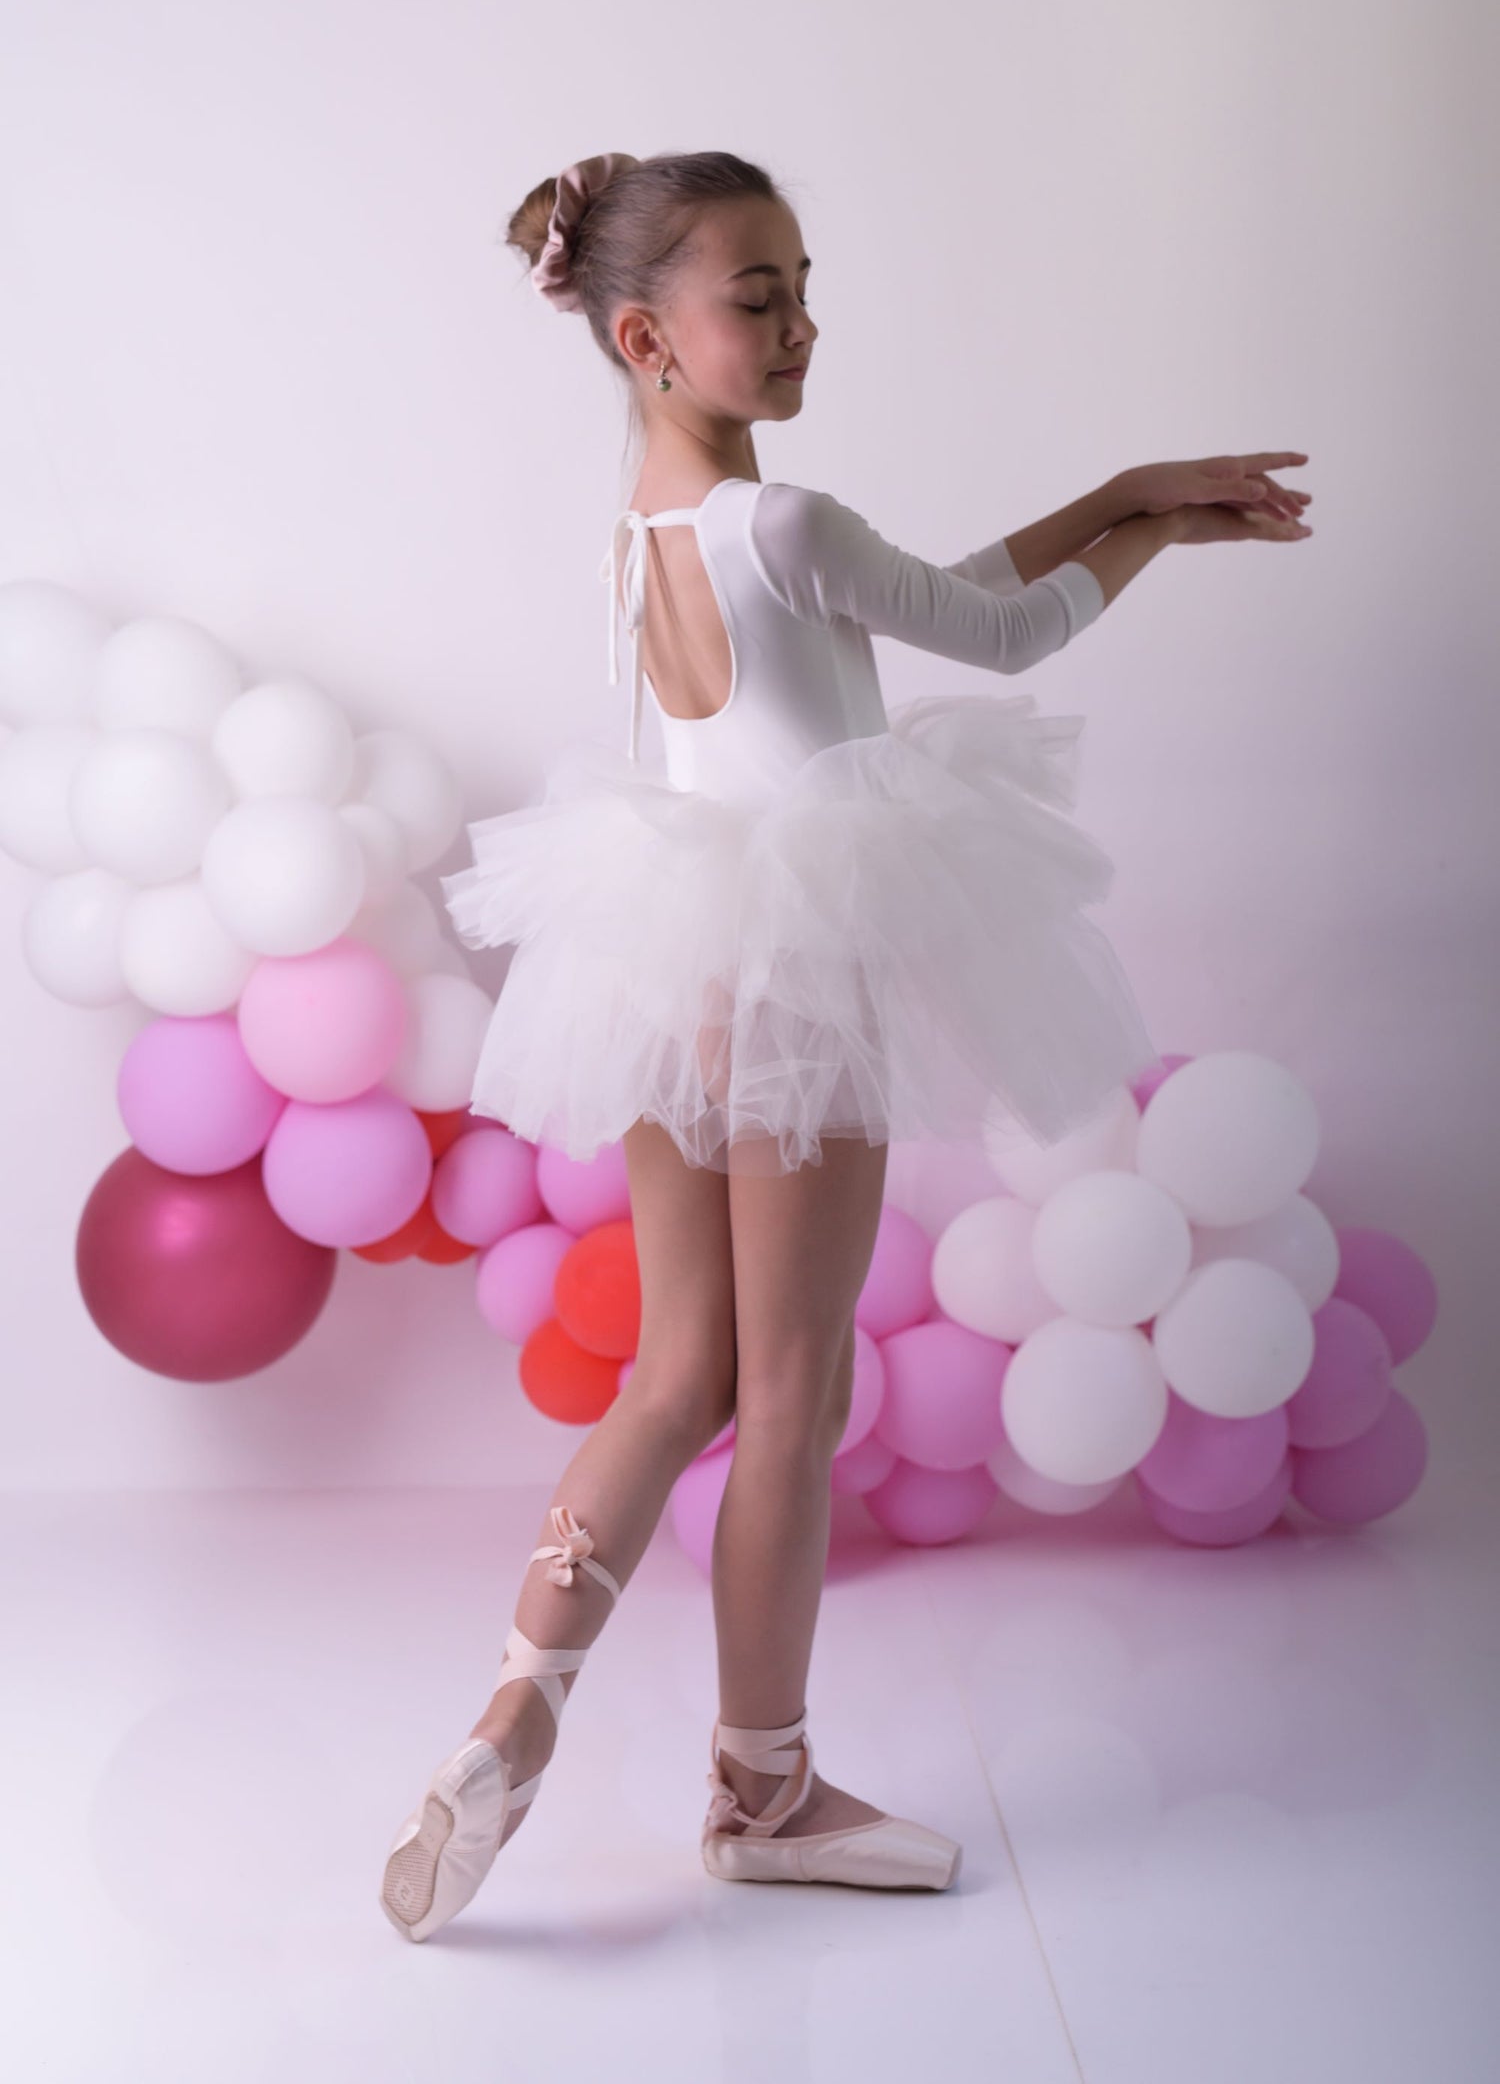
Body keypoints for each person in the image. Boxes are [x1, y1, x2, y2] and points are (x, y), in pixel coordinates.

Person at [380, 149, 1314, 1938]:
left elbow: (924, 593)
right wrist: (1151, 526)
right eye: (761, 298)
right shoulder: (783, 523)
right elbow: (1012, 630)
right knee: (792, 1402)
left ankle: (519, 1707)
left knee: (678, 1379)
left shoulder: (643, 537)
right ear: (649, 335)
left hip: (657, 973)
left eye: (806, 286)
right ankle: (765, 1788)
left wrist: (1127, 490)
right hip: (792, 981)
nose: (803, 325)